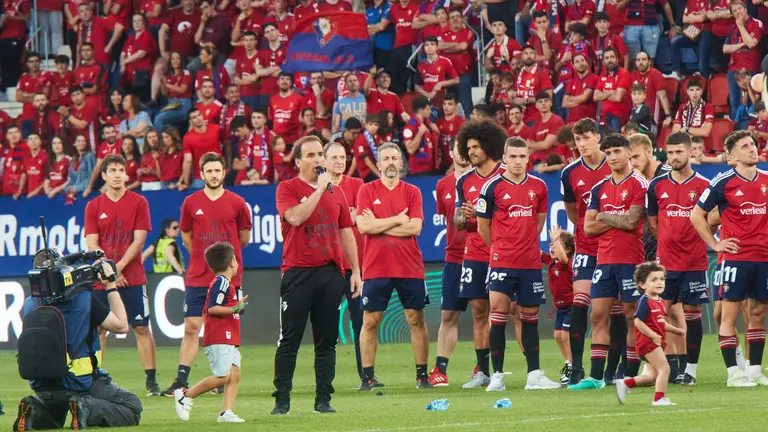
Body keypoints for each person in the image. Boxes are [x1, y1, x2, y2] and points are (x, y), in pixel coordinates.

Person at [272, 136, 361, 414]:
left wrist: (355, 270)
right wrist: (319, 191)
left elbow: (346, 231)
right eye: (310, 155)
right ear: (298, 162)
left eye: (320, 154)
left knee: (327, 341)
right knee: (290, 340)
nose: (318, 160)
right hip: (297, 272)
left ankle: (323, 399)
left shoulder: (338, 192)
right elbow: (296, 218)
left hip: (330, 273)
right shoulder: (287, 188)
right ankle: (282, 400)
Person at [14, 259, 141, 430]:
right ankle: (86, 407)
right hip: (79, 382)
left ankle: (34, 408)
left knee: (55, 418)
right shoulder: (83, 299)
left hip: (43, 384)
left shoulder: (30, 303)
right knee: (132, 407)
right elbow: (121, 325)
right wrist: (110, 285)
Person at [162, 152, 252, 396]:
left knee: (227, 328)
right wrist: (208, 262)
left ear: (224, 173)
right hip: (198, 276)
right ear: (201, 174)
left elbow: (243, 239)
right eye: (209, 171)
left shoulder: (237, 203)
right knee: (192, 326)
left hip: (229, 279)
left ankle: (223, 379)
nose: (213, 175)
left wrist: (224, 267)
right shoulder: (191, 203)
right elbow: (187, 238)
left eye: (217, 170)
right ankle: (181, 380)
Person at [477, 136, 560, 391]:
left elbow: (538, 223)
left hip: (530, 263)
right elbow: (483, 228)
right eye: (512, 157)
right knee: (498, 316)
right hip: (502, 261)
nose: (517, 161)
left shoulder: (539, 187)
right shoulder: (491, 187)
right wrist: (501, 248)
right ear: (504, 158)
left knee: (530, 318)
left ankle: (534, 374)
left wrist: (524, 247)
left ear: (528, 158)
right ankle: (498, 376)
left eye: (522, 157)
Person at [570, 133, 647, 390]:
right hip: (603, 260)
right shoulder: (599, 187)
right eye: (609, 152)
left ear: (628, 152)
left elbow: (632, 222)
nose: (613, 157)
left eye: (617, 151)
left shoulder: (638, 183)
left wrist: (604, 215)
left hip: (631, 260)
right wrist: (614, 218)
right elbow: (588, 228)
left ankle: (630, 374)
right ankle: (595, 377)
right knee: (598, 315)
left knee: (631, 317)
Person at [691, 130, 768, 387]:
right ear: (733, 155)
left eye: (753, 144)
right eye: (745, 146)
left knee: (757, 313)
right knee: (729, 316)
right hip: (735, 258)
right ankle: (733, 373)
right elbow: (696, 215)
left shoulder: (767, 179)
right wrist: (714, 243)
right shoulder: (723, 182)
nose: (752, 149)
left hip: (763, 258)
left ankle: (755, 370)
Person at [84, 154, 160, 396]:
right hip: (101, 278)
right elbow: (92, 246)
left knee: (141, 327)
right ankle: (95, 379)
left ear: (126, 175)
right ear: (104, 176)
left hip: (133, 275)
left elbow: (139, 241)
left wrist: (116, 269)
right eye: (112, 170)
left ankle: (151, 382)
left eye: (121, 170)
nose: (118, 175)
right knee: (98, 330)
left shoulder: (139, 202)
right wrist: (109, 272)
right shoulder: (93, 206)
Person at [356, 142, 430, 389]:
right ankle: (367, 378)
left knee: (416, 319)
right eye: (385, 158)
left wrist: (380, 224)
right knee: (370, 322)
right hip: (376, 267)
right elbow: (364, 227)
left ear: (400, 163)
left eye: (393, 158)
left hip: (409, 266)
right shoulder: (366, 190)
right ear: (378, 164)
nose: (389, 162)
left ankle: (422, 376)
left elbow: (415, 227)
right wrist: (398, 220)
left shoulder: (412, 192)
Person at [646, 131, 711, 385]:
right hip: (666, 264)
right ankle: (662, 369)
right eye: (670, 153)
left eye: (679, 152)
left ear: (690, 152)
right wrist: (668, 240)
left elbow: (711, 220)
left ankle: (690, 371)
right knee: (657, 313)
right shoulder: (656, 185)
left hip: (695, 262)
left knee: (692, 313)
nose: (674, 157)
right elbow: (653, 222)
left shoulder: (704, 186)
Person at [453, 121, 507, 388]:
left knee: (515, 312)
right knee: (478, 313)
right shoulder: (464, 180)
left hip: (504, 253)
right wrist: (462, 219)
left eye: (477, 146)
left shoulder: (507, 175)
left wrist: (483, 215)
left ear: (489, 145)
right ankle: (482, 372)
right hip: (474, 252)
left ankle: (533, 370)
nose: (472, 151)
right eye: (469, 147)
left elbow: (514, 215)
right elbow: (457, 220)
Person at [560, 118, 612, 385]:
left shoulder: (613, 164)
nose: (581, 144)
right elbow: (573, 213)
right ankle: (577, 368)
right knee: (580, 303)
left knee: (611, 311)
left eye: (586, 138)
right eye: (577, 140)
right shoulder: (569, 173)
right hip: (586, 247)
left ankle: (613, 369)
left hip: (614, 247)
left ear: (597, 138)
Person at [174, 242, 248, 424]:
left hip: (228, 336)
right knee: (222, 377)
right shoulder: (221, 282)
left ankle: (225, 412)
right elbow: (212, 308)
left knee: (234, 373)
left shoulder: (224, 283)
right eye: (236, 260)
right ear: (232, 262)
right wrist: (235, 309)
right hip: (220, 336)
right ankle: (185, 395)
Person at [428, 138, 471, 387]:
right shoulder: (443, 184)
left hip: (479, 256)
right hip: (454, 257)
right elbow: (445, 219)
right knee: (448, 315)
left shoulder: (483, 181)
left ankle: (482, 368)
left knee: (483, 314)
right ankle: (440, 369)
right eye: (459, 148)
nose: (463, 153)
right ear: (452, 152)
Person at [325, 142, 368, 383]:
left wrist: (348, 217)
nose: (340, 161)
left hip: (355, 267)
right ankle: (326, 378)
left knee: (360, 322)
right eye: (334, 157)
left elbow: (358, 218)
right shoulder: (320, 187)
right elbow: (344, 219)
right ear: (324, 161)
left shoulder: (357, 185)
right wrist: (347, 216)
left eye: (343, 157)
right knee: (327, 324)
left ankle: (366, 375)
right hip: (329, 267)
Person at [615, 262, 686, 406]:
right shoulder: (645, 301)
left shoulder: (659, 301)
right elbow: (638, 322)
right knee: (665, 368)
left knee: (652, 376)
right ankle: (659, 399)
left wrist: (675, 330)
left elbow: (660, 323)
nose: (659, 282)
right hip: (648, 343)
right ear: (642, 285)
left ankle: (625, 384)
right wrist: (653, 336)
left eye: (662, 279)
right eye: (654, 280)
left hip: (654, 342)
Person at [544, 227, 575, 384]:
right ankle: (568, 362)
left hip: (571, 306)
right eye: (550, 244)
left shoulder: (566, 264)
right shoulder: (550, 263)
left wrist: (556, 239)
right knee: (557, 336)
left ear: (567, 250)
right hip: (560, 308)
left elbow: (562, 259)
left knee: (565, 335)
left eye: (556, 245)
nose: (552, 247)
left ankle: (573, 365)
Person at [179, 109, 224, 190]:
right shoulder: (188, 138)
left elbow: (227, 144)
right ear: (190, 122)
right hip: (201, 177)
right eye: (194, 117)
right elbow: (187, 161)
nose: (198, 118)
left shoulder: (216, 129)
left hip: (218, 174)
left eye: (199, 115)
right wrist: (186, 181)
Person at [595, 48, 631, 133]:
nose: (609, 60)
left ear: (617, 59)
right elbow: (595, 96)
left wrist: (603, 95)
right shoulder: (602, 75)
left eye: (612, 57)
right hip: (604, 115)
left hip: (618, 116)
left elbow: (618, 98)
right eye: (606, 58)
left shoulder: (623, 73)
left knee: (615, 142)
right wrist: (611, 92)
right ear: (603, 62)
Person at [672, 80, 714, 146]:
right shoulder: (682, 107)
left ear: (701, 92)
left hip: (701, 147)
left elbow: (706, 132)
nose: (695, 93)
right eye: (692, 90)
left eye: (697, 90)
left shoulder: (708, 107)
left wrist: (686, 129)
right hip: (685, 146)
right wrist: (698, 132)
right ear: (688, 92)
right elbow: (675, 132)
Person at [403, 97, 438, 176]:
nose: (430, 112)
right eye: (428, 109)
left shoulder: (428, 125)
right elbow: (410, 149)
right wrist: (419, 133)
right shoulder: (410, 126)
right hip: (418, 171)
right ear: (421, 110)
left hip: (431, 168)